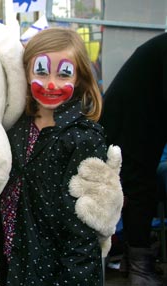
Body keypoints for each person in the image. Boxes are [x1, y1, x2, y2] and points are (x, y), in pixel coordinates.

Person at [0, 27, 108, 285]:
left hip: (60, 270)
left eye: (63, 73)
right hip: (14, 260)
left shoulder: (84, 138)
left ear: (78, 79)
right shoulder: (16, 128)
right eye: (41, 71)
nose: (51, 83)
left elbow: (84, 226)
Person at [99, 32, 167, 286]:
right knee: (138, 188)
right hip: (132, 125)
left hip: (135, 121)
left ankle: (135, 262)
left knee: (137, 187)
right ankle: (140, 269)